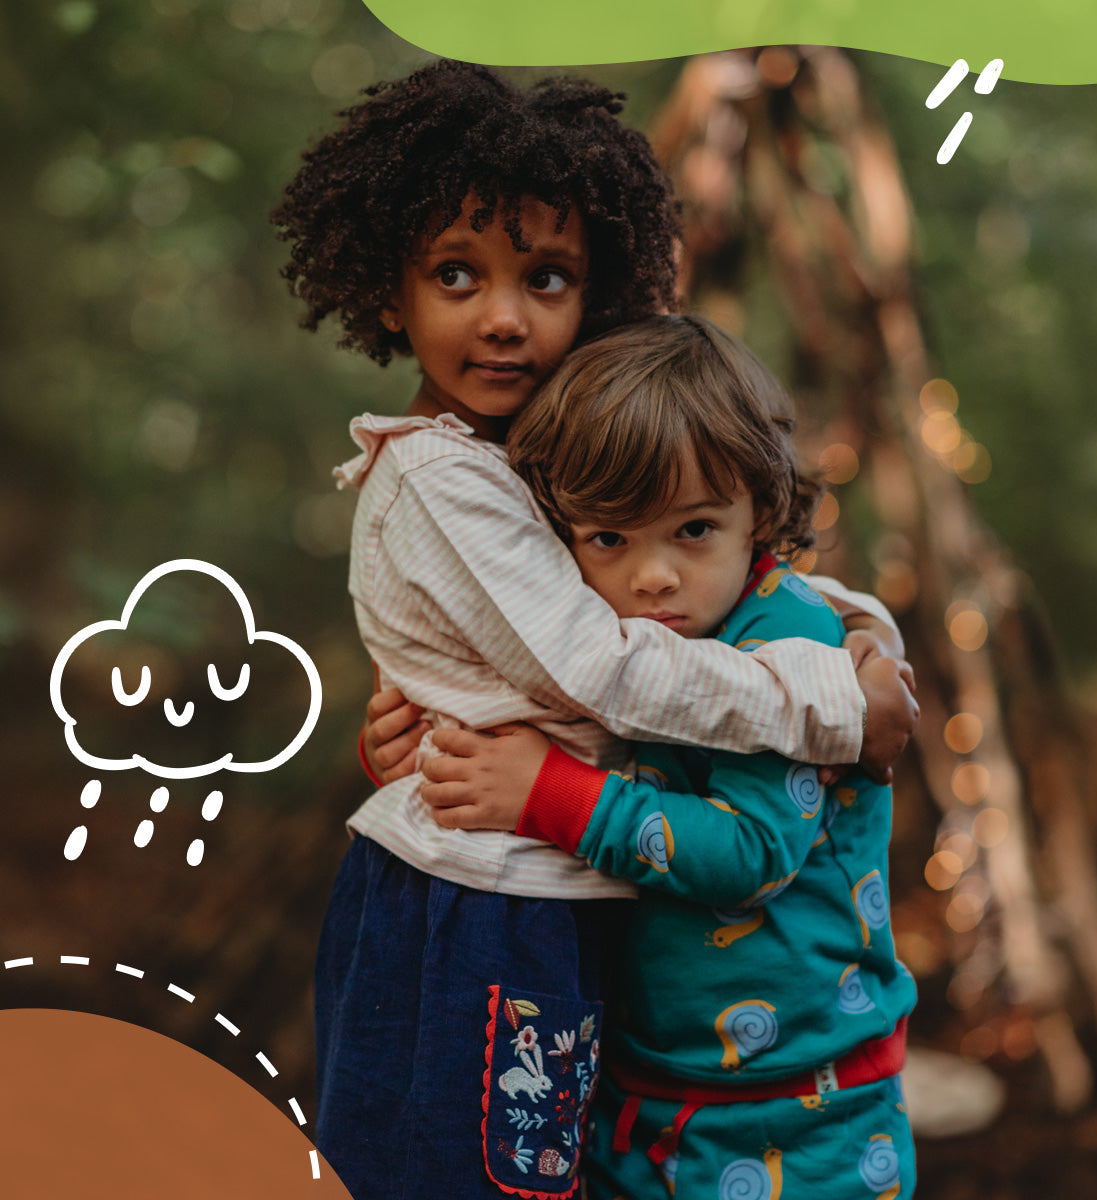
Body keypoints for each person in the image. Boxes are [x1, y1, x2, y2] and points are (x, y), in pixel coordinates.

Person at [271, 60, 918, 1200]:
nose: (506, 316)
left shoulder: (543, 447)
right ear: (389, 290)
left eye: (549, 276)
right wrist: (832, 697)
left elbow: (732, 566)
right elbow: (596, 667)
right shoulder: (436, 477)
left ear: (596, 289)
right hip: (481, 898)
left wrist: (858, 631)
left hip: (555, 890)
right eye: (456, 275)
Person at [419, 316, 918, 1200]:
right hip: (645, 1091)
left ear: (758, 512)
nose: (652, 577)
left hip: (802, 1109)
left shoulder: (788, 647)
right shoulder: (605, 638)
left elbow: (748, 856)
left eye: (692, 530)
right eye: (610, 538)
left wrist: (549, 794)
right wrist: (415, 732)